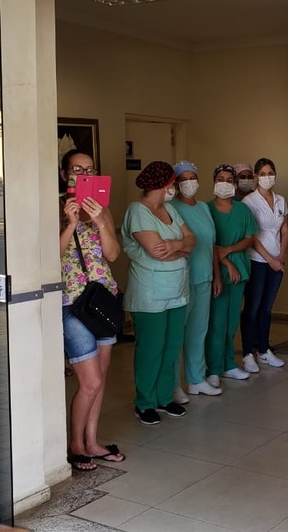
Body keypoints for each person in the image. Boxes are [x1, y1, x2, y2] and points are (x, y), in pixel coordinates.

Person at [59, 150, 125, 472]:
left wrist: (99, 221)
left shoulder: (103, 210)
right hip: (72, 304)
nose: (83, 173)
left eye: (89, 169)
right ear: (64, 175)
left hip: (102, 301)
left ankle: (92, 441)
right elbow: (48, 258)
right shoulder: (56, 209)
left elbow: (112, 254)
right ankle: (74, 444)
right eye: (76, 169)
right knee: (90, 381)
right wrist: (70, 224)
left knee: (101, 379)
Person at [122, 161, 195, 425]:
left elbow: (191, 240)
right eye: (172, 183)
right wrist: (181, 248)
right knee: (151, 348)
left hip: (176, 289)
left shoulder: (168, 210)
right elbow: (156, 252)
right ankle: (145, 402)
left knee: (172, 345)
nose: (174, 188)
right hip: (149, 292)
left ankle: (165, 397)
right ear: (163, 184)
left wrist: (176, 244)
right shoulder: (138, 212)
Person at [169, 161, 223, 398]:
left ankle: (196, 379)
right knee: (176, 335)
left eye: (193, 177)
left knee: (198, 331)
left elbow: (211, 243)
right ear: (176, 183)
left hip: (204, 277)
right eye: (183, 179)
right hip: (181, 279)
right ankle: (173, 386)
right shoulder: (170, 208)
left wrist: (216, 275)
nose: (189, 183)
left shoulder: (203, 207)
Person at [206, 165, 259, 385]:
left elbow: (250, 239)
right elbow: (208, 244)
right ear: (214, 182)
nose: (225, 183)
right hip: (216, 271)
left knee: (230, 322)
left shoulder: (242, 210)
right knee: (216, 323)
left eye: (229, 180)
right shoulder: (206, 209)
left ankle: (229, 364)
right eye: (221, 179)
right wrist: (226, 261)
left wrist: (229, 250)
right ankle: (214, 369)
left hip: (240, 272)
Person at [239, 158, 288, 373]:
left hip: (277, 261)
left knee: (267, 309)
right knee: (252, 308)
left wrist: (281, 255)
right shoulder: (249, 202)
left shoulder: (280, 200)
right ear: (257, 176)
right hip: (257, 261)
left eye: (271, 172)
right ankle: (248, 353)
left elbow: (284, 230)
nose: (268, 177)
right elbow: (252, 236)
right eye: (263, 173)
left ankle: (264, 349)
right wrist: (270, 259)